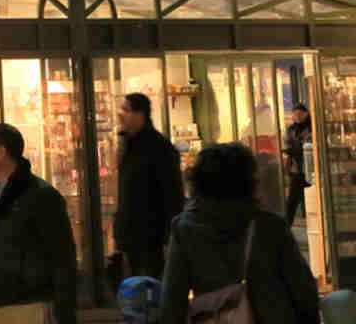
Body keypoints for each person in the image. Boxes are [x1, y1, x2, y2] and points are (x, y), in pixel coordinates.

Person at [160, 143, 319, 324]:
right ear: (248, 181)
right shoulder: (269, 226)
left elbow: (172, 301)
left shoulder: (184, 229)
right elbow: (302, 290)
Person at [0, 123, 76, 324]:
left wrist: (64, 312)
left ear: (1, 153)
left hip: (26, 308)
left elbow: (62, 258)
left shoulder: (40, 196)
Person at [114, 93, 183, 278]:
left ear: (140, 114)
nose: (120, 114)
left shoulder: (159, 148)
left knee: (151, 285)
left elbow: (172, 194)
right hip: (131, 233)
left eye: (126, 109)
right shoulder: (127, 144)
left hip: (151, 234)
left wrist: (169, 236)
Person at [285, 104, 313, 227]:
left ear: (306, 114)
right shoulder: (291, 129)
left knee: (309, 200)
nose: (297, 116)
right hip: (296, 169)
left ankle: (313, 224)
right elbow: (288, 144)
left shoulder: (312, 127)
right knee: (292, 201)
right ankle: (286, 226)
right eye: (295, 114)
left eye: (300, 113)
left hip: (310, 168)